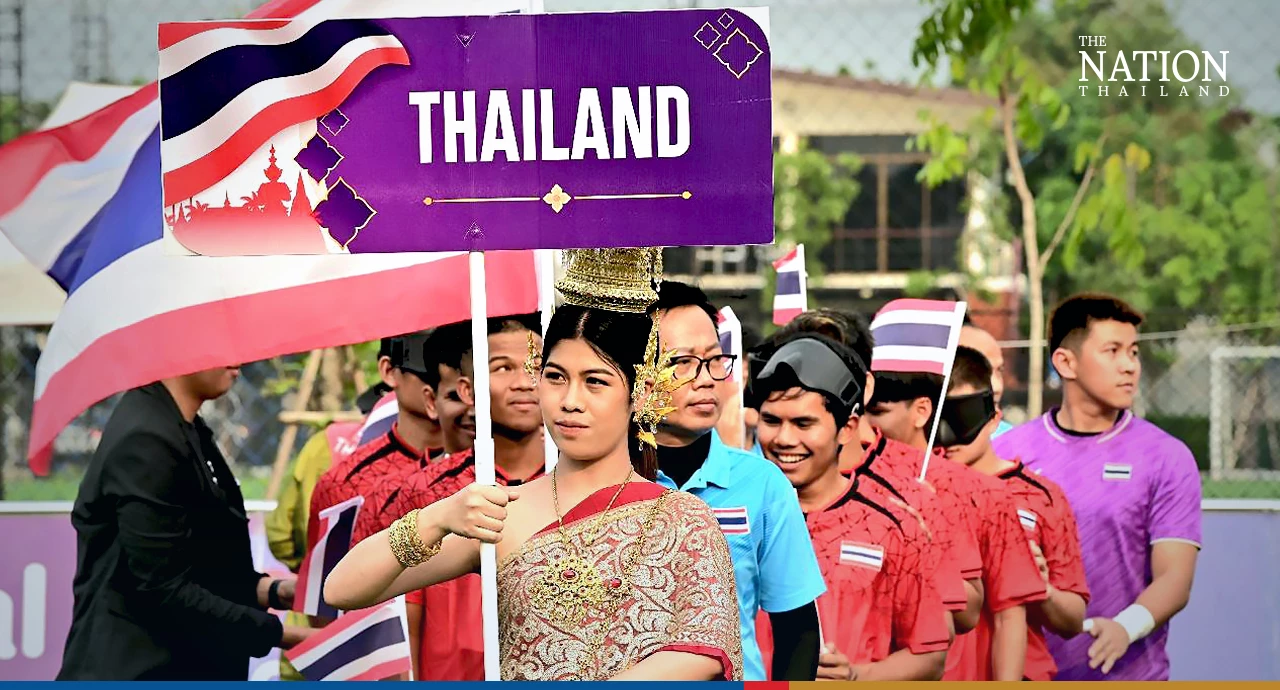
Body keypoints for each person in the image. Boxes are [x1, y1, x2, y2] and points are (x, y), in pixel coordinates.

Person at [324, 247, 744, 681]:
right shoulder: (502, 513)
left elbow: (705, 648)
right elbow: (343, 589)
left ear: (639, 393)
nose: (570, 401)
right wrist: (439, 517)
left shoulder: (682, 518)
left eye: (595, 382)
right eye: (555, 376)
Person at [993, 293, 1201, 680]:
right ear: (1065, 362)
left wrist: (1127, 626)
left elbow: (1175, 577)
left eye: (1134, 352)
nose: (1129, 366)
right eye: (1113, 350)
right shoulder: (1007, 452)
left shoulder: (1166, 457)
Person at [59, 368, 310, 680]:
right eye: (221, 342)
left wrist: (276, 591)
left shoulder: (185, 427)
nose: (238, 361)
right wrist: (284, 635)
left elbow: (203, 568)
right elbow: (164, 589)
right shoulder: (146, 439)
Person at [757, 309, 983, 636]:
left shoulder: (913, 496)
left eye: (825, 365)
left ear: (864, 386)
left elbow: (958, 621)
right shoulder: (747, 493)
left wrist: (910, 559)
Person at [352, 314, 547, 681]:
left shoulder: (572, 483)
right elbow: (392, 622)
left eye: (536, 367)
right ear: (467, 390)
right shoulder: (421, 490)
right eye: (502, 368)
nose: (524, 383)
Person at [649, 281, 824, 682]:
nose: (706, 379)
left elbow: (797, 629)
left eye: (714, 360)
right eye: (681, 363)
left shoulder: (763, 484)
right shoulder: (603, 483)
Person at [941, 346, 1091, 680]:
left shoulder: (1042, 497)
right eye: (942, 419)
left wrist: (1042, 588)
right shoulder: (918, 492)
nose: (951, 434)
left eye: (963, 417)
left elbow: (1073, 620)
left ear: (994, 418)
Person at [959, 321, 1014, 438]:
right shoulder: (920, 443)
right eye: (981, 373)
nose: (997, 387)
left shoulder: (1014, 443)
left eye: (999, 370)